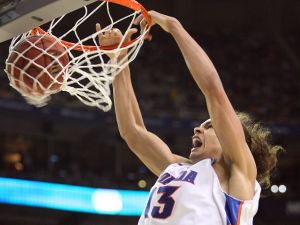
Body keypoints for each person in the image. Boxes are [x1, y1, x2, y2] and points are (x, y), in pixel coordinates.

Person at [97, 10, 283, 225]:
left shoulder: (238, 174)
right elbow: (132, 131)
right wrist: (119, 59)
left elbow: (214, 92)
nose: (197, 129)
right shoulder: (176, 168)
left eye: (209, 126)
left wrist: (174, 27)